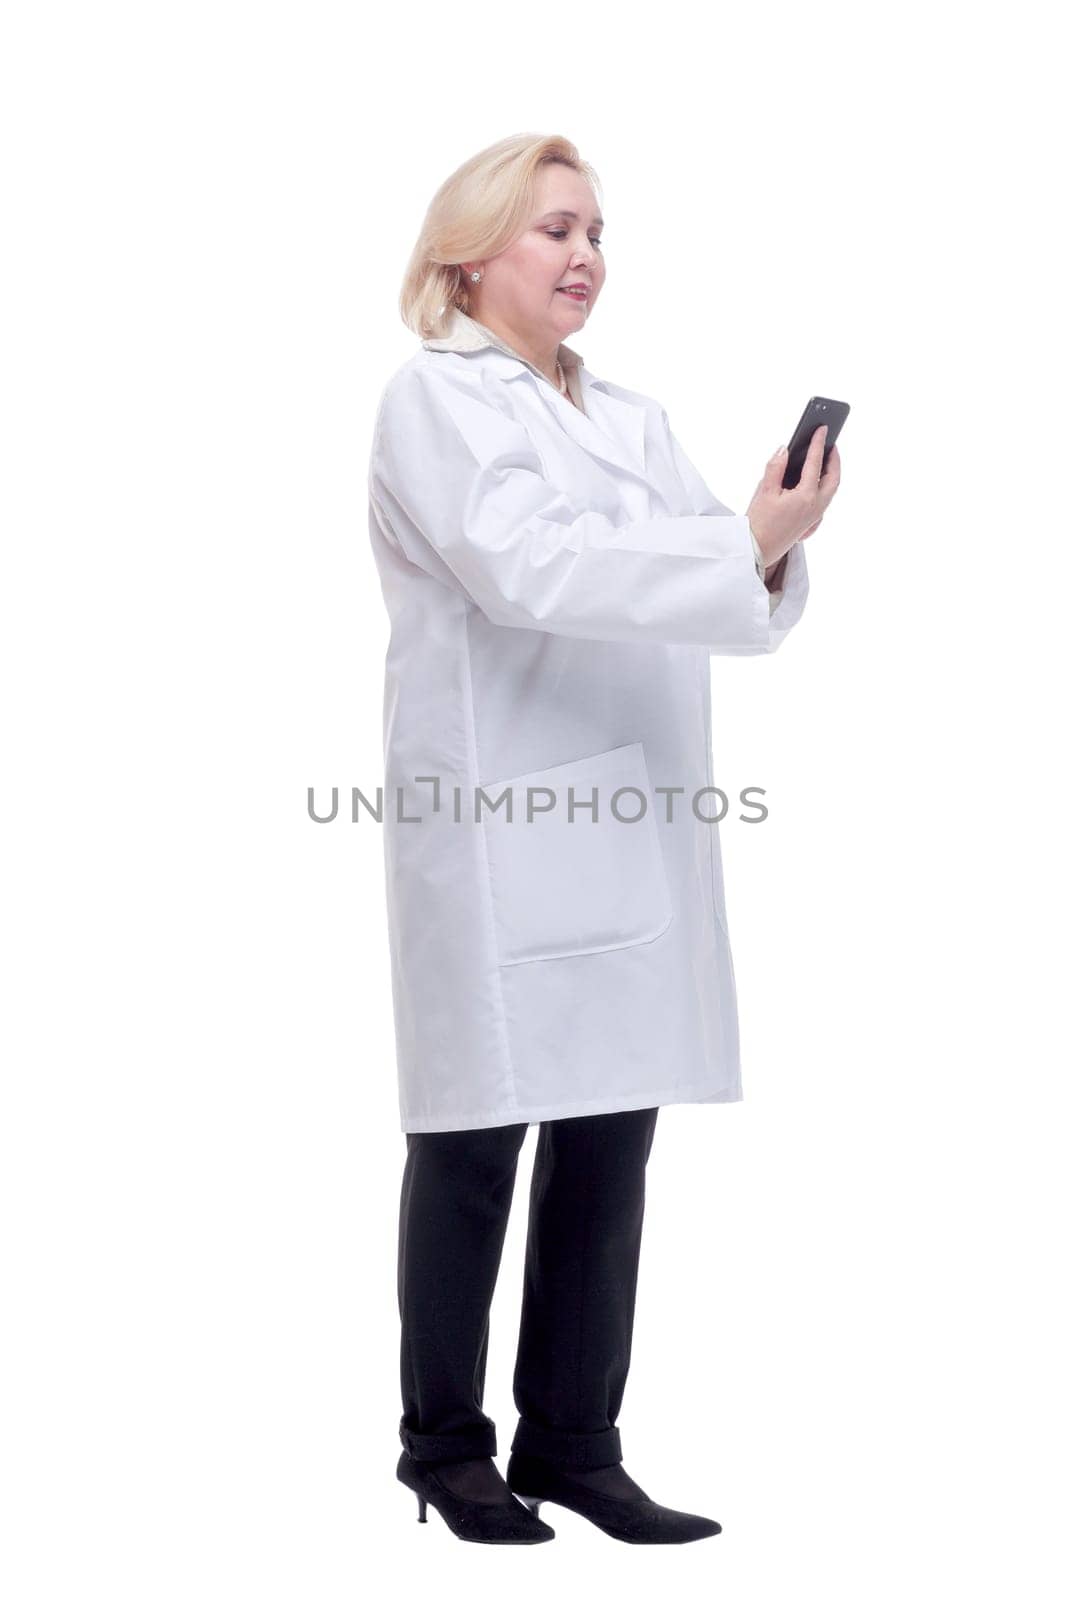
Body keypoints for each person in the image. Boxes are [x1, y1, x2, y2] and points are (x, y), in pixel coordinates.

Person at [367, 132, 841, 1545]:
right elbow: (530, 570)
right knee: (472, 1136)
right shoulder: (435, 404)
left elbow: (722, 585)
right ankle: (444, 1450)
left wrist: (766, 535)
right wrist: (726, 546)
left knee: (611, 1131)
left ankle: (574, 1441)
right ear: (470, 256)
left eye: (594, 234)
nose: (585, 257)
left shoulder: (630, 416)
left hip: (625, 819)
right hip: (502, 818)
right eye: (553, 231)